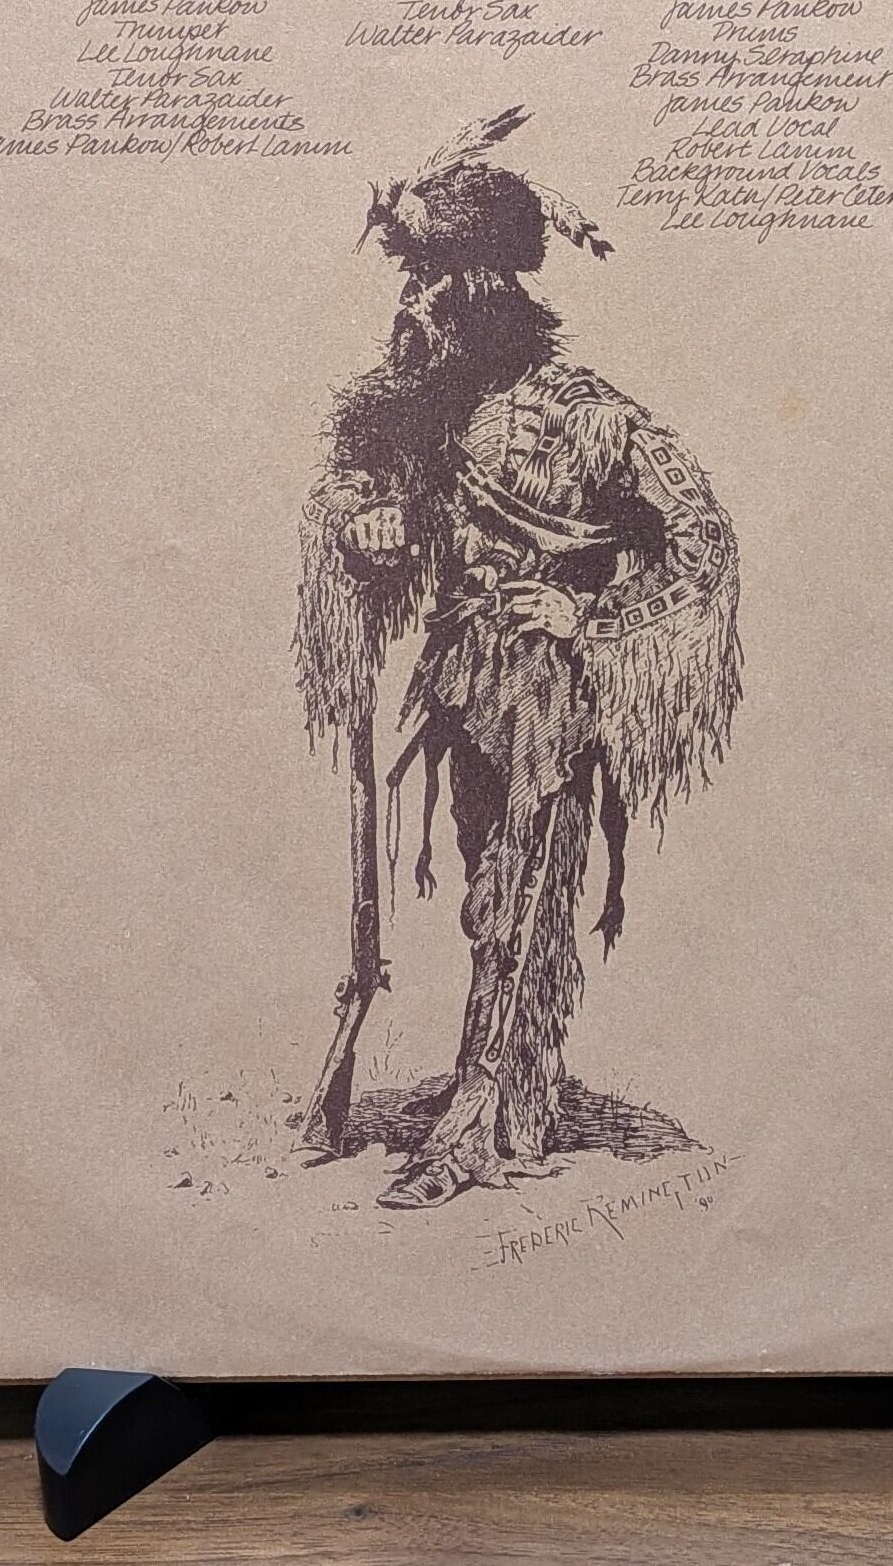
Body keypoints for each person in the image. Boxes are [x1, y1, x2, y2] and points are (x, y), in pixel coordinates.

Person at [295, 108, 742, 1209]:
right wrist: (368, 526)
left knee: (525, 894)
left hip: (552, 692)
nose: (414, 306)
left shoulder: (592, 416)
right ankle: (501, 1085)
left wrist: (589, 617)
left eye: (433, 283)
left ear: (489, 289)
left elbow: (701, 540)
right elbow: (358, 491)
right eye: (413, 282)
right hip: (465, 681)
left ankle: (490, 1117)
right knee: (484, 893)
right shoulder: (428, 416)